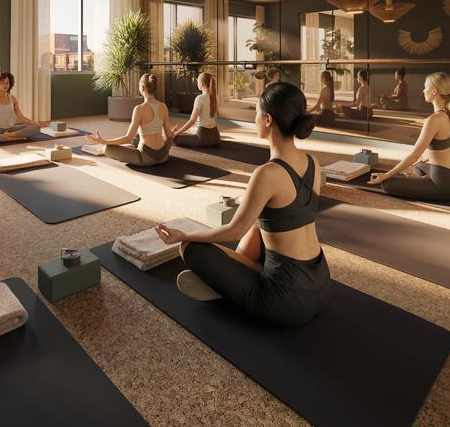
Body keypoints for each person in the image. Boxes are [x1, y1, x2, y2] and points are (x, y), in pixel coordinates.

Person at [155, 82, 331, 328]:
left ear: (268, 119)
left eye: (257, 113)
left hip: (286, 302)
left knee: (190, 247)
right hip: (321, 284)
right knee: (259, 225)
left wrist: (185, 234)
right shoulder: (314, 162)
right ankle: (235, 278)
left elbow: (234, 231)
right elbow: (291, 214)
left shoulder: (267, 173)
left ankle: (231, 284)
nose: (255, 118)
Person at [367, 72, 450, 201]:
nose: (423, 91)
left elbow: (413, 156)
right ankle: (424, 179)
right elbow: (444, 148)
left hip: (444, 186)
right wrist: (425, 158)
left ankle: (425, 181)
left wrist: (386, 175)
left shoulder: (433, 120)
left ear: (434, 91)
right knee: (418, 166)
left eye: (425, 87)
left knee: (388, 184)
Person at [89, 73, 173, 166]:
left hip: (146, 157)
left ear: (143, 88)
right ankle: (133, 148)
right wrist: (174, 132)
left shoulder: (139, 109)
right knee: (137, 136)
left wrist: (104, 141)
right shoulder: (163, 106)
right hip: (163, 156)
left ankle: (131, 149)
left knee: (107, 148)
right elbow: (169, 135)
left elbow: (128, 138)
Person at [0, 69, 46, 143]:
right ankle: (13, 138)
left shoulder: (13, 99)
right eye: (3, 83)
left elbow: (21, 117)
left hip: (11, 129)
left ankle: (11, 135)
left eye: (7, 83)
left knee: (36, 128)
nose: (6, 85)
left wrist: (37, 124)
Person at [172, 72, 220, 147]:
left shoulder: (200, 98)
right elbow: (215, 118)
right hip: (216, 137)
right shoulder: (216, 97)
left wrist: (176, 134)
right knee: (188, 132)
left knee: (175, 139)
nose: (197, 84)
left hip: (202, 138)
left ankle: (175, 132)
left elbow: (191, 121)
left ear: (201, 83)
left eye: (197, 82)